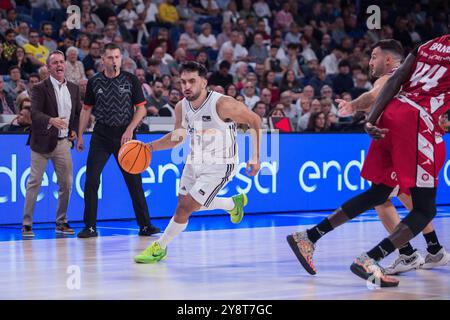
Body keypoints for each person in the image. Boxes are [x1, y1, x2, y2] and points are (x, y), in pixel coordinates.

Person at [287, 34, 450, 287]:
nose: (370, 61)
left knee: (381, 193)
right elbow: (383, 86)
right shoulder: (393, 71)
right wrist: (354, 106)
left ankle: (309, 236)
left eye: (373, 56)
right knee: (424, 207)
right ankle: (374, 258)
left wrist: (370, 119)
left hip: (391, 118)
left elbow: (393, 83)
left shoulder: (428, 45)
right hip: (416, 123)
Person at [337, 39, 449, 274]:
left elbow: (382, 90)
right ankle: (427, 250)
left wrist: (361, 112)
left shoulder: (418, 54)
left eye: (373, 57)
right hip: (423, 130)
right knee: (409, 199)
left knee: (386, 195)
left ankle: (413, 252)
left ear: (387, 59)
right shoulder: (415, 67)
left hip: (408, 129)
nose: (370, 62)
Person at [134, 62, 261, 263]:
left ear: (204, 83)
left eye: (192, 81)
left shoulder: (223, 104)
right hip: (195, 160)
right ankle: (231, 203)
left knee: (184, 208)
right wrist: (148, 147)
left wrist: (255, 157)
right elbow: (177, 138)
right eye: (183, 82)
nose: (186, 86)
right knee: (184, 202)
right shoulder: (181, 106)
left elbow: (255, 120)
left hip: (220, 164)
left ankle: (160, 247)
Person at [76, 43, 160, 238]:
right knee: (91, 180)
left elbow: (141, 109)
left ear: (121, 59)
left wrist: (130, 129)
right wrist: (80, 135)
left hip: (126, 135)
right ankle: (89, 226)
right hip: (101, 135)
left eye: (116, 57)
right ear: (103, 60)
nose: (113, 61)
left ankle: (145, 225)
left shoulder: (131, 80)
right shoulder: (94, 82)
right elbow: (86, 109)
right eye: (110, 57)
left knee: (134, 182)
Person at [22, 50, 81, 238]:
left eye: (61, 62)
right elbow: (35, 114)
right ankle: (27, 223)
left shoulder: (73, 88)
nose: (59, 65)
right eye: (55, 62)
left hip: (63, 143)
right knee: (34, 182)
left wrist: (73, 129)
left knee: (67, 183)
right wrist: (51, 120)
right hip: (41, 143)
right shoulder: (40, 87)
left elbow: (77, 113)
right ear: (48, 68)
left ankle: (61, 222)